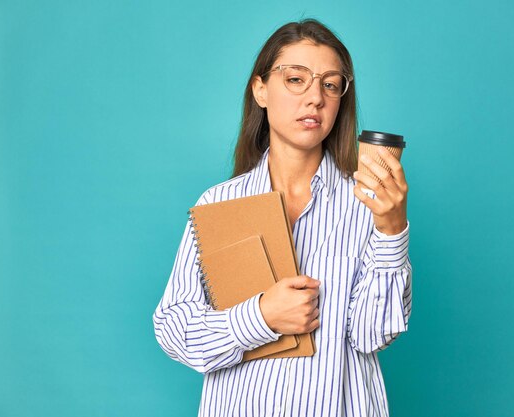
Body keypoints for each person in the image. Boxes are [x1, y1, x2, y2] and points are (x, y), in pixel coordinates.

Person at [153, 18, 412, 417]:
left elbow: (371, 334)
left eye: (329, 84)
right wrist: (259, 316)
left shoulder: (367, 204)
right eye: (296, 79)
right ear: (260, 89)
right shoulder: (218, 204)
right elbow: (175, 332)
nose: (315, 98)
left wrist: (392, 229)